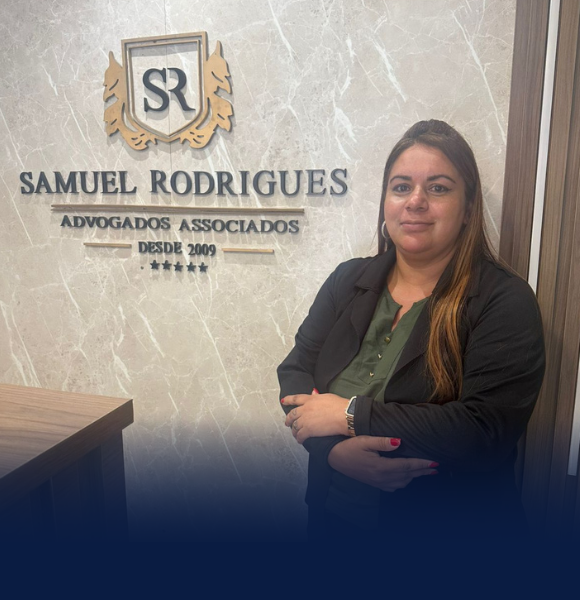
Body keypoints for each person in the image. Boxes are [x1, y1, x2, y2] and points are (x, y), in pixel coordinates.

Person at [277, 119, 545, 544]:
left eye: (438, 188)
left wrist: (351, 415)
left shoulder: (504, 300)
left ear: (468, 208)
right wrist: (333, 452)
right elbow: (295, 373)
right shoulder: (348, 280)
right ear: (386, 201)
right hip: (332, 522)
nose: (415, 201)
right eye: (401, 187)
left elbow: (483, 431)